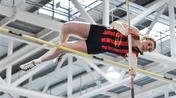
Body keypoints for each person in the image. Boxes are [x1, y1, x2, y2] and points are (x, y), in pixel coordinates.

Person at [20, 21, 156, 77]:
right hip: (98, 32)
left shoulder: (133, 53)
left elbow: (133, 66)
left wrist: (133, 73)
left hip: (95, 46)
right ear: (146, 39)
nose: (147, 47)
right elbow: (115, 23)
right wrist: (124, 31)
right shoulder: (135, 33)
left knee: (63, 47)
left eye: (149, 49)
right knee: (65, 27)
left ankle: (37, 61)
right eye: (149, 44)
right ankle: (60, 52)